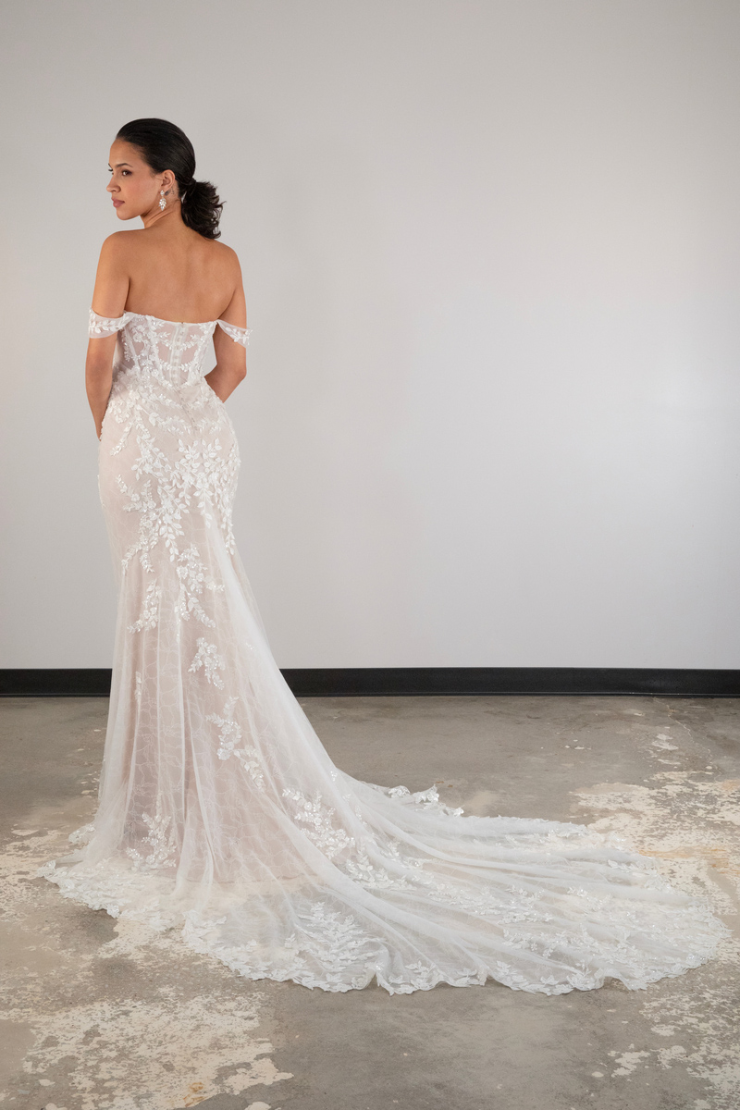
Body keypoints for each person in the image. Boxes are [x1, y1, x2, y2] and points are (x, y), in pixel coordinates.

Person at [42, 118, 724, 994]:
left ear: (165, 181)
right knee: (206, 604)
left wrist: (122, 430)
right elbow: (234, 373)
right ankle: (196, 797)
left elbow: (98, 362)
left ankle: (159, 811)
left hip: (141, 442)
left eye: (124, 172)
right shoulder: (226, 261)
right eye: (110, 174)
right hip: (205, 444)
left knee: (154, 607)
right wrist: (185, 418)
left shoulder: (119, 250)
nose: (110, 186)